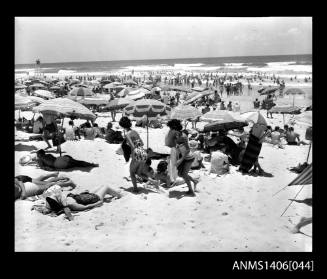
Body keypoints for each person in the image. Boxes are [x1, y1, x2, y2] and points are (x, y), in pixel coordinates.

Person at [36, 185, 122, 221]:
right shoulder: (70, 203)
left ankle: (115, 192)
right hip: (92, 198)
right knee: (106, 187)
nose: (56, 195)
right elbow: (85, 207)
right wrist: (97, 203)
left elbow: (48, 203)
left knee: (101, 186)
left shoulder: (56, 200)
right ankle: (120, 196)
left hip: (82, 196)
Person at [119, 116, 146, 193]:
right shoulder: (135, 132)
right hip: (143, 152)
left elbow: (133, 146)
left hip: (136, 153)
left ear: (122, 126)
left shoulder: (127, 134)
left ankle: (135, 189)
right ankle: (154, 182)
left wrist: (126, 146)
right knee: (138, 173)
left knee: (132, 172)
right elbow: (142, 143)